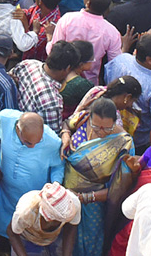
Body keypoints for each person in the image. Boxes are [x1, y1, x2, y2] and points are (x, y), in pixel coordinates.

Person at [0, 110, 66, 256]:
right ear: (17, 129)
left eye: (38, 142)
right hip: (1, 197)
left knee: (20, 248)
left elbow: (58, 165)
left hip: (30, 205)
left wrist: (55, 184)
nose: (33, 146)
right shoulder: (6, 119)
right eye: (28, 143)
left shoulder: (52, 141)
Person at [60, 96, 135, 256]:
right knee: (64, 236)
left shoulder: (124, 143)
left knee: (90, 242)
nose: (101, 132)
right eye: (96, 127)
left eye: (107, 129)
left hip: (93, 202)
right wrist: (66, 134)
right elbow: (67, 123)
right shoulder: (83, 117)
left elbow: (119, 187)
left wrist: (83, 197)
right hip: (66, 191)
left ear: (115, 122)